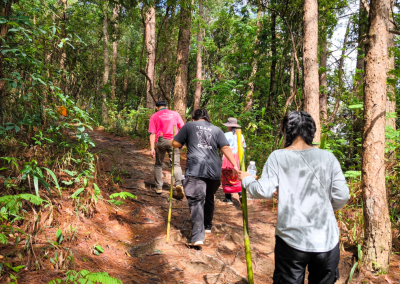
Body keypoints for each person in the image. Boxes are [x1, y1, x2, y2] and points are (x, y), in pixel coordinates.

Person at [238, 111, 349, 284]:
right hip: (327, 241)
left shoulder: (278, 156)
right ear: (311, 131)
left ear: (286, 131)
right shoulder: (328, 157)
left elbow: (263, 191)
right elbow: (342, 195)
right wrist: (326, 209)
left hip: (291, 241)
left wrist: (246, 179)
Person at [170, 109, 238, 246]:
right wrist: (235, 165)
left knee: (196, 201)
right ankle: (207, 226)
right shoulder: (217, 129)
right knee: (208, 197)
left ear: (194, 118)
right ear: (207, 118)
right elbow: (225, 148)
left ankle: (197, 237)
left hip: (196, 169)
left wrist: (173, 141)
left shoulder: (189, 126)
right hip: (214, 170)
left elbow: (176, 144)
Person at [148, 100, 184, 199]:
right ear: (166, 106)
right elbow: (183, 128)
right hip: (174, 140)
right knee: (176, 164)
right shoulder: (175, 114)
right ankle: (178, 184)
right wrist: (181, 141)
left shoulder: (154, 116)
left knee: (158, 164)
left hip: (161, 141)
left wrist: (152, 148)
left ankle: (159, 187)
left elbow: (152, 133)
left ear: (157, 107)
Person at [221, 117, 246, 205]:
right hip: (238, 158)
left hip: (228, 158)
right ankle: (240, 195)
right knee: (238, 177)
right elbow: (244, 146)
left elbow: (222, 147)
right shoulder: (241, 135)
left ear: (229, 126)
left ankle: (228, 199)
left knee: (226, 177)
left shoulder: (225, 135)